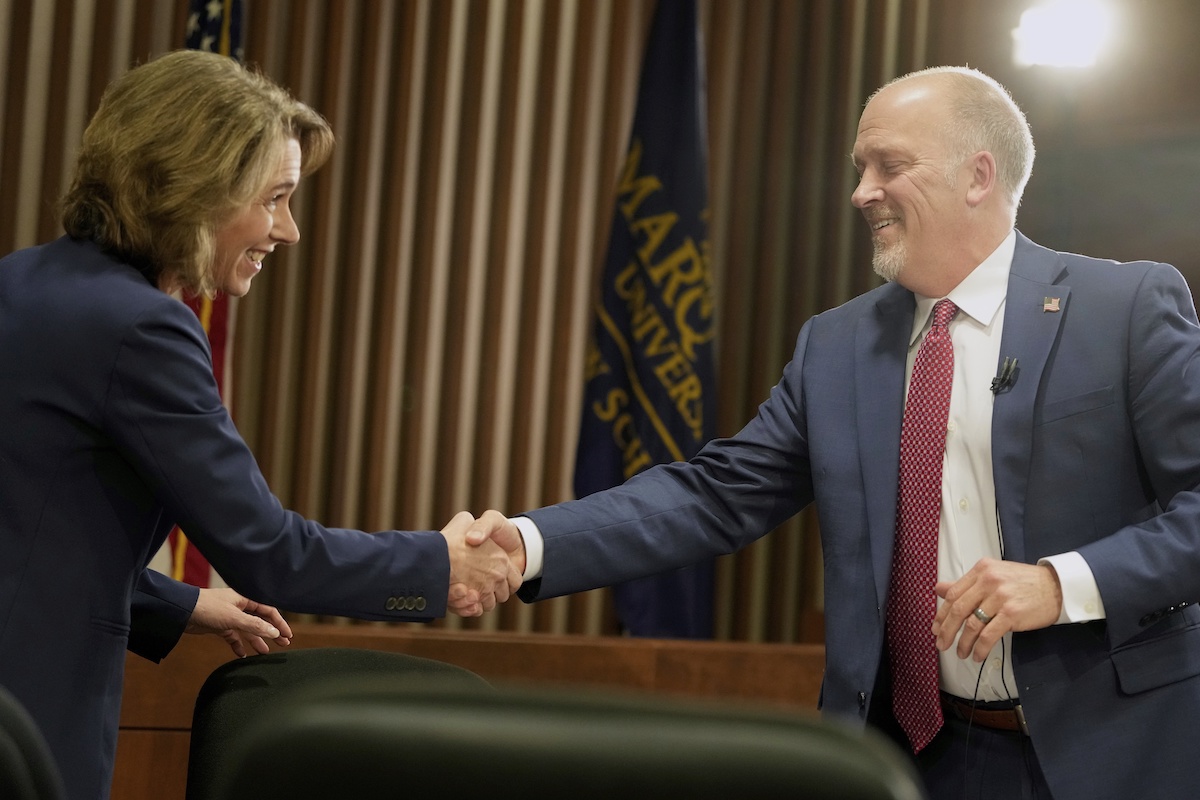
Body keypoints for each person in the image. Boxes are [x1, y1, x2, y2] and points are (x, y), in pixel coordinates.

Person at [468, 66, 1200, 800]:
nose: (862, 192)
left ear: (979, 176)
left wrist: (1061, 582)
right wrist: (529, 545)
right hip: (911, 758)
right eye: (860, 169)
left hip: (1108, 757)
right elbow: (714, 496)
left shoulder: (1124, 308)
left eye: (890, 166)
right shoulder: (837, 345)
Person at [0, 50, 519, 800]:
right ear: (194, 189)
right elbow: (273, 554)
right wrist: (442, 568)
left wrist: (183, 602)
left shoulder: (24, 279)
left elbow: (31, 527)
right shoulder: (143, 328)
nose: (290, 230)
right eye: (275, 198)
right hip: (30, 725)